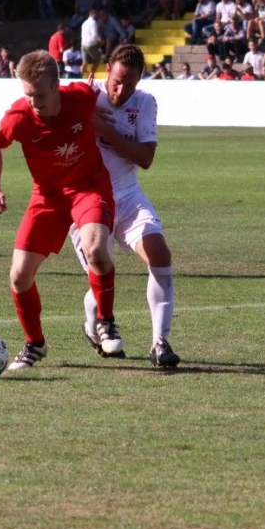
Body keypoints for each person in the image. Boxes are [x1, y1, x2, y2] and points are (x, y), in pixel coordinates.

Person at [0, 49, 123, 370]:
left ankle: (106, 320)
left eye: (41, 94)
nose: (34, 102)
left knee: (97, 250)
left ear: (57, 84)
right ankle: (35, 344)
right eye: (28, 94)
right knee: (19, 276)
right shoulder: (18, 117)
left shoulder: (81, 96)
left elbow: (103, 96)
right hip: (46, 197)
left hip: (88, 188)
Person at [69, 44, 182, 366]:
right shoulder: (84, 93)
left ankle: (160, 342)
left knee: (159, 253)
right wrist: (84, 113)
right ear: (107, 70)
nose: (120, 90)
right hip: (86, 199)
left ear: (140, 79)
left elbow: (145, 158)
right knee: (103, 270)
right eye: (116, 81)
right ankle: (93, 322)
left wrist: (104, 128)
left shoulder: (145, 102)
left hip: (128, 194)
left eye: (128, 84)